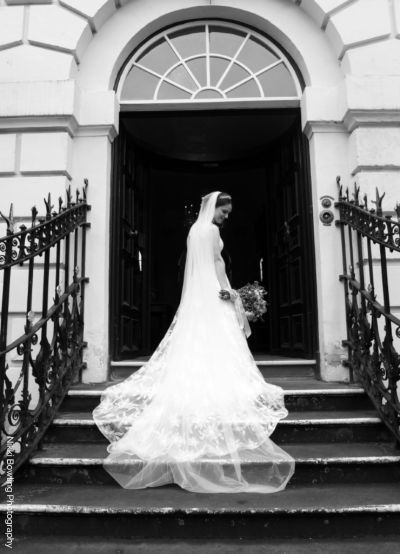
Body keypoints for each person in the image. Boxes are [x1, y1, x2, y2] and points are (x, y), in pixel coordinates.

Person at [92, 191, 295, 493]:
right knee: (220, 339)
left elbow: (195, 267)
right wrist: (230, 292)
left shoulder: (193, 230)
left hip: (197, 298)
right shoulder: (211, 230)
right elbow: (215, 264)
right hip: (213, 293)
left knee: (195, 341)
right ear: (214, 208)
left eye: (228, 213)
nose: (226, 217)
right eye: (224, 211)